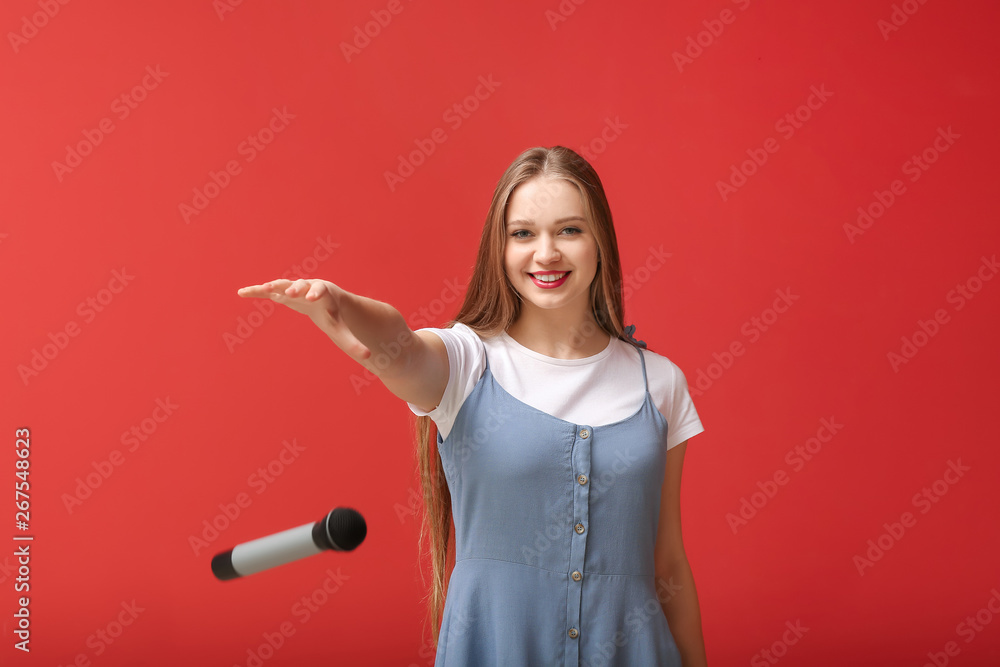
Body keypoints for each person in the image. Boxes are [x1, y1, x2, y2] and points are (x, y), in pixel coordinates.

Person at [237, 145, 708, 666]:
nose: (546, 253)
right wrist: (342, 303)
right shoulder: (467, 361)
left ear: (601, 243)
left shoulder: (660, 383)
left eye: (570, 230)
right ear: (499, 249)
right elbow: (403, 347)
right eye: (523, 233)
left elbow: (668, 564)